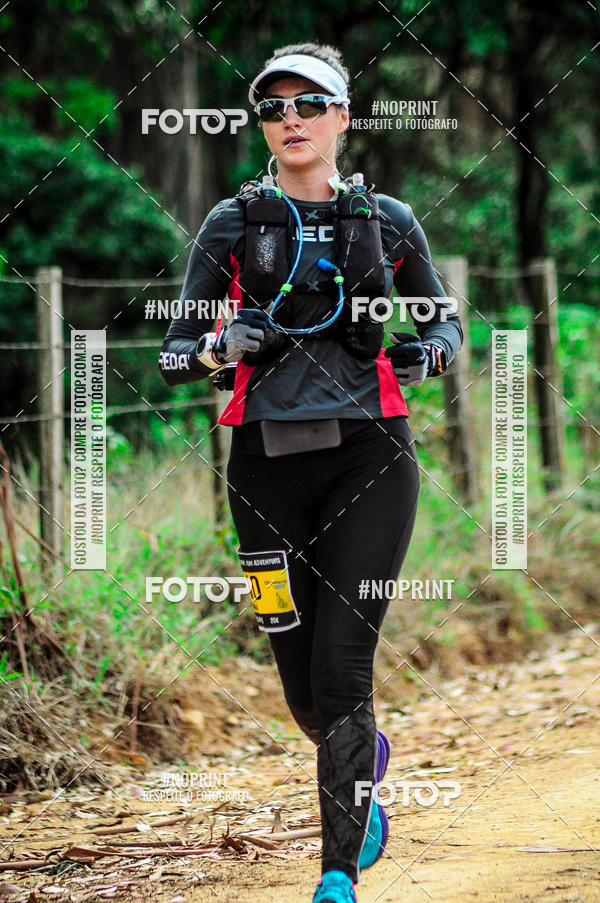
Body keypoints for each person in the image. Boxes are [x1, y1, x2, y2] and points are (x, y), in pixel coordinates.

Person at [159, 41, 463, 903]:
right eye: (273, 106)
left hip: (373, 460)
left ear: (342, 116)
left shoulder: (389, 220)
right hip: (261, 471)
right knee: (301, 687)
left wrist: (428, 354)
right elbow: (173, 353)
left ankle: (336, 872)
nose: (289, 118)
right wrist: (218, 346)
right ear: (263, 123)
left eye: (308, 103)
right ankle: (362, 759)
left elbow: (447, 326)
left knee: (343, 670)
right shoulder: (232, 223)